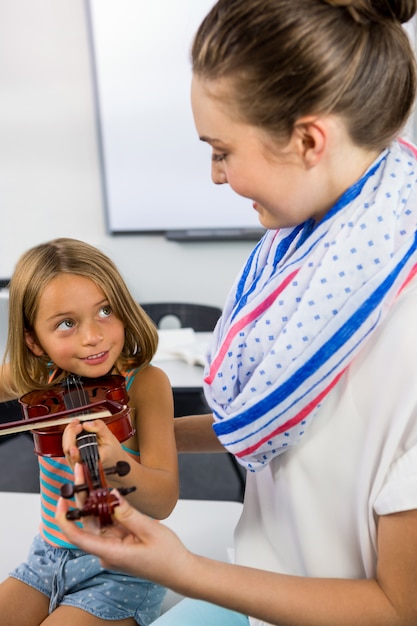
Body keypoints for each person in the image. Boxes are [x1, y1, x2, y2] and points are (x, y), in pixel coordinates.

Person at [57, 0, 417, 624]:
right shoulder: (314, 264)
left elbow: (398, 606)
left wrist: (183, 571)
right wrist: (144, 441)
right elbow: (289, 433)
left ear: (308, 140)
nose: (216, 176)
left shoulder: (399, 330)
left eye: (222, 151)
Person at [0, 237, 178, 626]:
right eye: (66, 324)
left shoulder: (145, 386)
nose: (92, 336)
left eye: (105, 311)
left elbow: (164, 500)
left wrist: (117, 465)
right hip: (48, 557)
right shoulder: (35, 378)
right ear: (33, 340)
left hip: (124, 568)